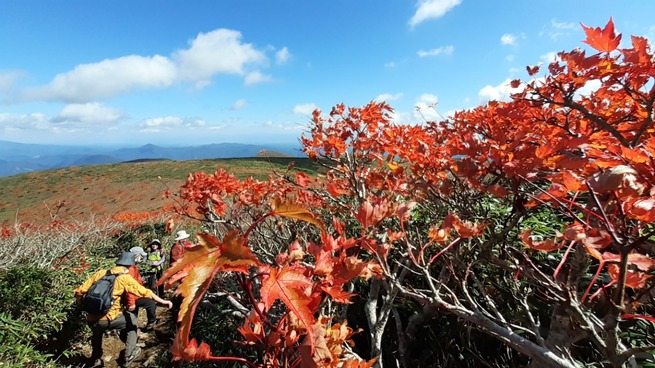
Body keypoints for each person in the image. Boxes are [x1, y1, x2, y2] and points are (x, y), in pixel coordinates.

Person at [74, 252, 173, 367]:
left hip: (92, 317)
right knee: (132, 320)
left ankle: (95, 358)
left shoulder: (101, 273)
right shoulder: (124, 278)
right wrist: (164, 301)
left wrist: (82, 305)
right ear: (130, 265)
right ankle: (128, 355)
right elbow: (145, 292)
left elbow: (79, 291)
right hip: (110, 317)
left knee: (97, 332)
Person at [128, 246, 159, 331]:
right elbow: (129, 287)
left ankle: (134, 326)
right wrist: (131, 302)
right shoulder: (130, 268)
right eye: (140, 256)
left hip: (135, 294)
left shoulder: (133, 266)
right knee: (151, 303)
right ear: (136, 256)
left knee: (134, 313)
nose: (141, 258)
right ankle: (151, 323)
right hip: (133, 296)